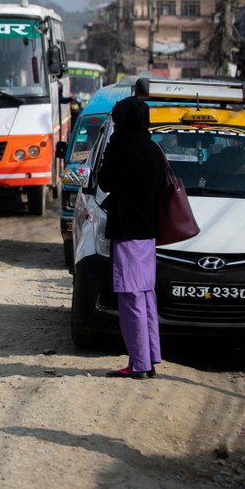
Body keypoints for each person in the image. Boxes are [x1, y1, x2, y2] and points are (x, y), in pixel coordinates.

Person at [97, 97, 165, 380]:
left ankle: (139, 364)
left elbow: (105, 182)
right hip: (148, 234)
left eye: (116, 119)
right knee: (146, 296)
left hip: (127, 234)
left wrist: (111, 147)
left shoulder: (123, 150)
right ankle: (148, 359)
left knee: (130, 298)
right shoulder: (154, 149)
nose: (114, 124)